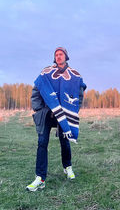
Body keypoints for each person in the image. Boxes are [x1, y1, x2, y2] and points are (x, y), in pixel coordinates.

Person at [26, 47, 86, 192]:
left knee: (65, 141)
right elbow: (36, 90)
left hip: (64, 114)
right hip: (47, 113)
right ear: (54, 58)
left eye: (61, 54)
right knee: (42, 143)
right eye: (56, 55)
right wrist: (39, 109)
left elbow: (79, 95)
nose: (58, 56)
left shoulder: (74, 75)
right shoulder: (46, 72)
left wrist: (73, 111)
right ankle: (40, 178)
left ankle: (67, 167)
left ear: (66, 57)